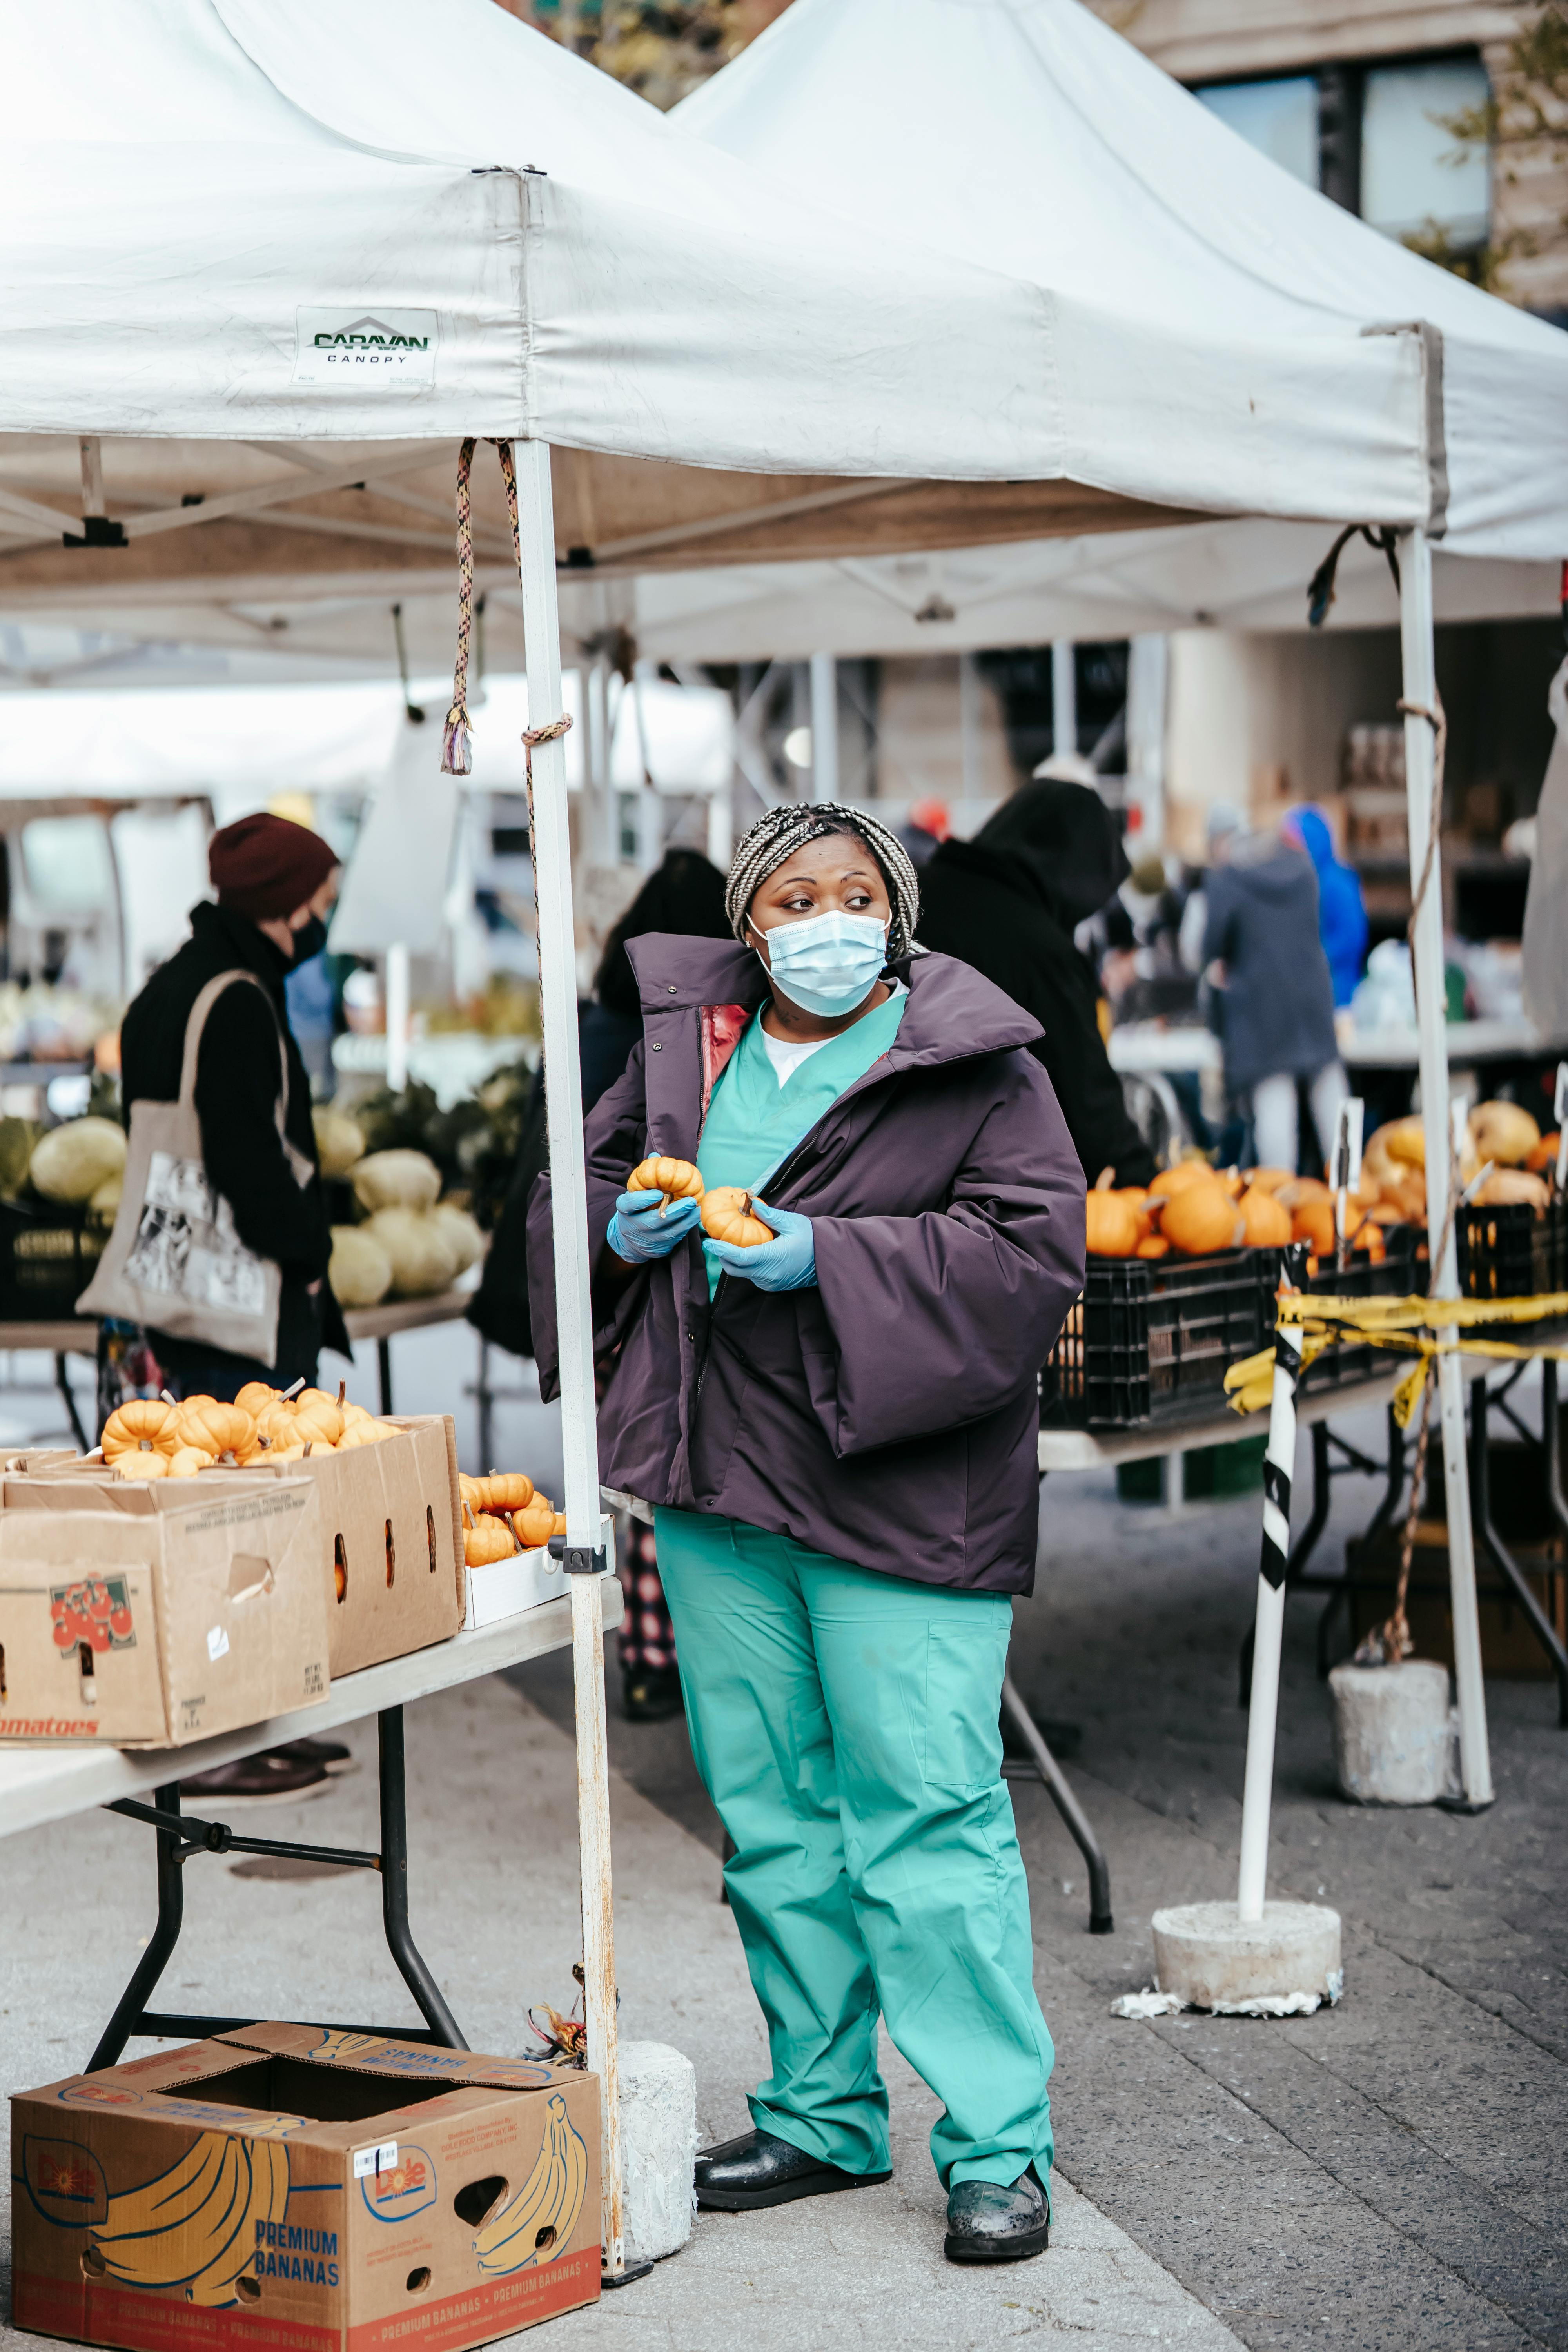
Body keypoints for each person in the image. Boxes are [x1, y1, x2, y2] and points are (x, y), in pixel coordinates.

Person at [528, 802, 1084, 2264]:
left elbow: (1033, 1252)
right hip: (721, 1488)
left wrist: (826, 1250)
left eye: (853, 893)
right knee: (771, 1815)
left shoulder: (974, 1063)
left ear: (894, 916)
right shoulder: (683, 1046)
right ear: (748, 917)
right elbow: (573, 1186)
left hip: (902, 1493)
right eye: (792, 895)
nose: (823, 919)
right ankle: (823, 2108)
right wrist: (612, 1231)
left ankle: (994, 2145)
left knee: (927, 1816)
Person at [115, 811, 349, 1808]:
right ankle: (226, 1732)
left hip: (170, 1295)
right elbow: (248, 1162)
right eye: (322, 898)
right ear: (287, 903)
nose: (328, 915)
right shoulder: (242, 999)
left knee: (192, 1504)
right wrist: (307, 1251)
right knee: (244, 1511)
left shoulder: (166, 987)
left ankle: (219, 1722)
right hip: (238, 1302)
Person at [469, 847, 732, 1722]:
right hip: (630, 1283)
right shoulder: (664, 1037)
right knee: (661, 1469)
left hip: (578, 1283)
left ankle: (648, 1652)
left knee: (631, 1467)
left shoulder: (585, 1020)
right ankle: (660, 1658)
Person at [915, 776, 1156, 1186]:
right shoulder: (1039, 951)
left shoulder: (912, 895)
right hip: (980, 1198)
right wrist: (1147, 1185)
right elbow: (1088, 1110)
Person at [1201, 817, 1348, 1174]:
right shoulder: (1304, 869)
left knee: (1274, 1108)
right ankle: (1353, 1194)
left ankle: (1278, 1205)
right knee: (1332, 1095)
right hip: (1312, 997)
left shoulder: (1228, 879)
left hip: (1261, 1004)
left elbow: (1212, 946)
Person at [1284, 806, 1368, 1010]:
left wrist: (1313, 957)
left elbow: (1352, 936)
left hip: (1337, 989)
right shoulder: (1301, 882)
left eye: (1296, 843)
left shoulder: (1338, 883)